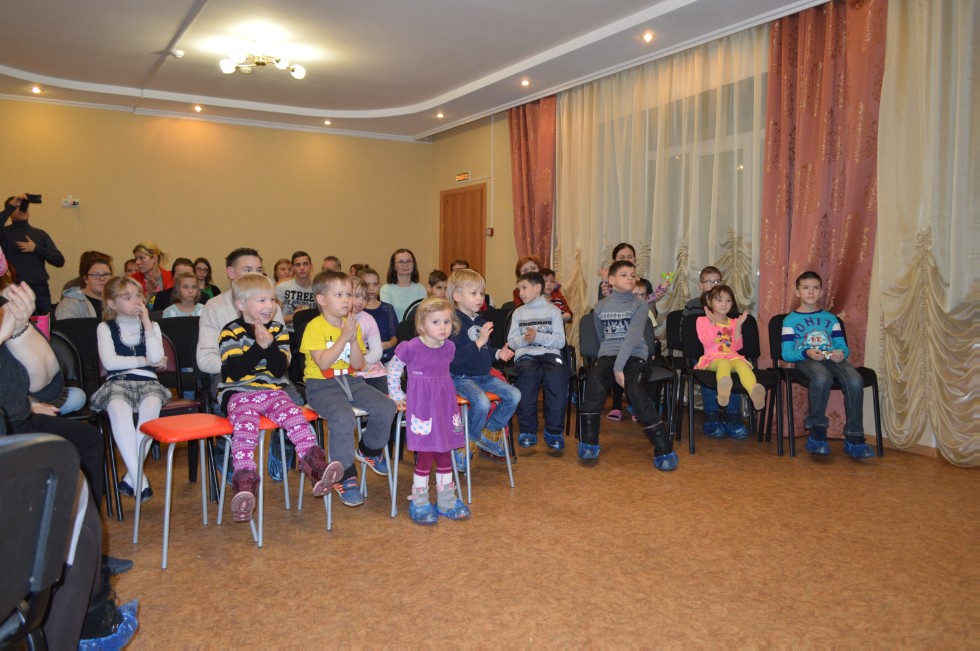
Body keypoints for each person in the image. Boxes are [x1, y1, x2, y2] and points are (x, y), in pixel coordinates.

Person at [217, 273, 343, 521]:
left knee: (295, 417)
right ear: (241, 304)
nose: (269, 306)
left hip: (274, 391)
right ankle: (245, 481)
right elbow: (232, 371)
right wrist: (258, 347)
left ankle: (314, 465)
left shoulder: (277, 329)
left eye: (272, 300)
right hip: (240, 393)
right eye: (261, 300)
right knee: (245, 429)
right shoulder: (230, 331)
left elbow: (278, 370)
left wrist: (270, 344)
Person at [301, 270, 396, 507]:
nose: (347, 300)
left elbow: (358, 364)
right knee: (343, 418)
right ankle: (344, 475)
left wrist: (353, 340)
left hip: (351, 380)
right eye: (339, 295)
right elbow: (323, 363)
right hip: (321, 386)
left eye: (349, 295)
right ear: (322, 299)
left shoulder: (352, 325)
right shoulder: (315, 327)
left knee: (387, 406)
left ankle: (369, 450)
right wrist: (344, 337)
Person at [578, 260, 676, 470]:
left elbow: (632, 338)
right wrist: (612, 364)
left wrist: (618, 367)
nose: (630, 278)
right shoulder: (600, 307)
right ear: (611, 280)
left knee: (635, 389)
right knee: (595, 381)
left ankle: (664, 448)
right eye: (624, 275)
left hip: (635, 356)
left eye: (632, 274)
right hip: (609, 356)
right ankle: (589, 443)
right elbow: (603, 337)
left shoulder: (640, 305)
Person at [386, 297, 471, 525]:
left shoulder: (449, 347)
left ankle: (446, 500)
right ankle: (420, 500)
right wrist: (397, 395)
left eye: (447, 322)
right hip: (423, 408)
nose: (443, 327)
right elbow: (393, 370)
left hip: (444, 406)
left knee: (445, 452)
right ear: (422, 324)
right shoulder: (410, 347)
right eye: (436, 322)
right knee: (425, 455)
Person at [90, 276, 171, 503]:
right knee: (118, 407)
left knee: (152, 405)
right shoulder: (105, 327)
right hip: (118, 381)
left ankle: (131, 478)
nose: (136, 301)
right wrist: (145, 360)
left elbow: (156, 356)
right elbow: (110, 363)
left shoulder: (153, 326)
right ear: (112, 304)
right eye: (127, 297)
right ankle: (139, 479)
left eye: (138, 296)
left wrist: (147, 324)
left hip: (149, 382)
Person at [780, 271, 875, 459]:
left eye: (815, 288)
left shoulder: (831, 319)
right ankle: (817, 435)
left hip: (831, 358)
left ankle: (854, 438)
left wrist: (842, 353)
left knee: (855, 380)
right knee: (822, 377)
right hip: (805, 359)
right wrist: (806, 352)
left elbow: (842, 345)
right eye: (806, 288)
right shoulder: (790, 320)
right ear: (797, 292)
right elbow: (786, 353)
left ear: (821, 292)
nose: (811, 292)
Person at [447, 268, 519, 467]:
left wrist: (498, 354)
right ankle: (466, 443)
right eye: (474, 293)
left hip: (483, 376)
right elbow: (454, 357)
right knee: (482, 402)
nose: (480, 298)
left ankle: (489, 433)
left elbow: (485, 350)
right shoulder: (452, 323)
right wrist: (478, 342)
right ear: (457, 296)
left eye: (481, 293)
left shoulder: (481, 321)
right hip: (461, 377)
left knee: (514, 395)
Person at [197, 248, 284, 378]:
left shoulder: (272, 307)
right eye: (248, 270)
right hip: (229, 376)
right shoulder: (214, 307)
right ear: (230, 272)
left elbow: (284, 355)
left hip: (271, 375)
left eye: (259, 270)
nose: (255, 276)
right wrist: (246, 368)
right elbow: (206, 359)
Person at [682, 266, 747, 438]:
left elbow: (734, 339)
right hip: (701, 356)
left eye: (717, 281)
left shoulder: (727, 308)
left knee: (732, 372)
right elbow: (685, 335)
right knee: (709, 375)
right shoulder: (693, 306)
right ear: (701, 285)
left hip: (726, 353)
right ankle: (712, 417)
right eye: (709, 282)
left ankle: (733, 417)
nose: (713, 285)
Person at [507, 271, 567, 450]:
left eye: (524, 288)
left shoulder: (554, 311)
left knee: (557, 379)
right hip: (527, 355)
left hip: (550, 355)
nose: (521, 292)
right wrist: (526, 339)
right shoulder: (518, 313)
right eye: (519, 289)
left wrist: (538, 336)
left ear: (537, 288)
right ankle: (527, 431)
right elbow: (512, 342)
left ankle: (554, 432)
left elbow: (560, 341)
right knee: (527, 378)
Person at [694, 284, 766, 411]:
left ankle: (754, 391)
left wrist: (738, 327)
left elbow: (736, 348)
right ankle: (723, 389)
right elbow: (707, 342)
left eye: (728, 300)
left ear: (732, 303)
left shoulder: (733, 322)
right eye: (719, 300)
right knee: (724, 363)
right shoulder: (702, 320)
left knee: (742, 365)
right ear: (709, 302)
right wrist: (712, 324)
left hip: (732, 357)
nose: (724, 304)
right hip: (712, 359)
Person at [0, 194, 65, 315]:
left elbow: (59, 260)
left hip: (41, 289)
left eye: (24, 206)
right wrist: (10, 206)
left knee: (46, 322)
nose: (22, 210)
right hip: (15, 289)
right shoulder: (4, 233)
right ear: (10, 212)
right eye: (16, 207)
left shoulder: (40, 234)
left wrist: (36, 248)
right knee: (20, 323)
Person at [350, 275, 388, 394]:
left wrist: (364, 361)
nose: (361, 301)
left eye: (364, 298)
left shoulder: (368, 319)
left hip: (365, 361)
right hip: (342, 363)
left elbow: (377, 349)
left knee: (383, 380)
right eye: (357, 296)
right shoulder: (337, 318)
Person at [56, 252, 113, 320]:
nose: (102, 278)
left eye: (106, 274)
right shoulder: (69, 304)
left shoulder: (118, 301)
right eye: (95, 275)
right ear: (86, 279)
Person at [512, 256, 571, 321]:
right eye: (525, 270)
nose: (530, 272)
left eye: (533, 268)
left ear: (539, 270)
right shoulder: (518, 292)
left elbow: (567, 312)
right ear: (520, 275)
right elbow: (521, 314)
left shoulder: (552, 289)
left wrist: (563, 316)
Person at [359, 267, 398, 362]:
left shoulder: (387, 308)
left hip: (387, 355)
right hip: (364, 356)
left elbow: (395, 337)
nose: (371, 288)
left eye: (375, 284)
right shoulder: (358, 310)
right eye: (367, 284)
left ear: (379, 285)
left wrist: (388, 344)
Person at [380, 248, 426, 322]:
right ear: (394, 266)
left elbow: (422, 315)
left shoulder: (421, 289)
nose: (405, 265)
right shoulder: (386, 290)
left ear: (413, 265)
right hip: (394, 328)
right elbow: (388, 316)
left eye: (409, 261)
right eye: (401, 262)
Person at [275, 250, 316, 330]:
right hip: (288, 332)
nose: (302, 268)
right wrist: (294, 317)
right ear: (293, 268)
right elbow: (274, 318)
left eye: (305, 264)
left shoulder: (318, 289)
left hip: (311, 332)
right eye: (298, 265)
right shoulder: (281, 288)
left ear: (311, 266)